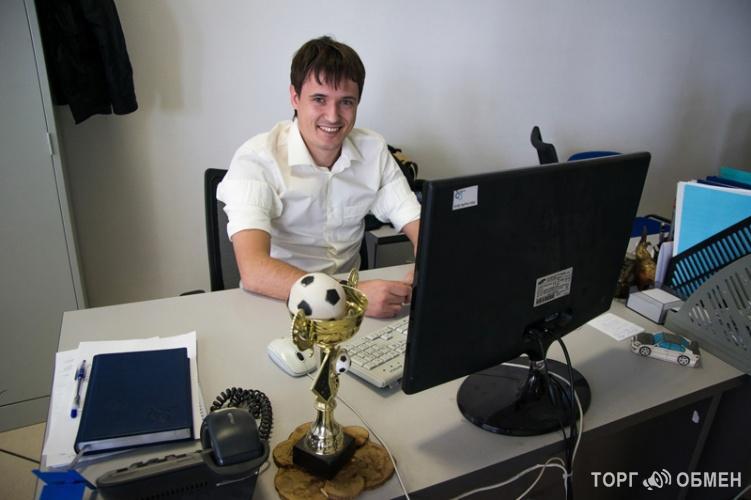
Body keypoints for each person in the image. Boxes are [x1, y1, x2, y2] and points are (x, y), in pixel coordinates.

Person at [217, 36, 421, 318]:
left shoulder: (373, 151)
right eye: (319, 99)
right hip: (279, 301)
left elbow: (419, 224)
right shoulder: (257, 159)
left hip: (353, 312)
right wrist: (353, 296)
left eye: (346, 102)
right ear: (295, 97)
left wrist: (426, 266)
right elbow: (254, 270)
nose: (333, 116)